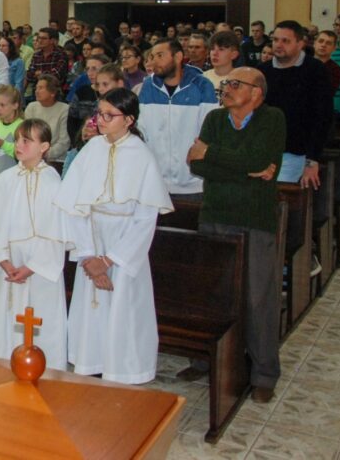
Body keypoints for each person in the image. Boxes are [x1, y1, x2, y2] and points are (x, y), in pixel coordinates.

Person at [54, 88, 173, 384]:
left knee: (124, 311)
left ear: (129, 119)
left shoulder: (142, 156)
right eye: (100, 114)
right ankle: (89, 364)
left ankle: (124, 370)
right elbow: (75, 207)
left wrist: (108, 260)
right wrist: (89, 257)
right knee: (90, 310)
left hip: (123, 249)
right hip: (91, 241)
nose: (101, 120)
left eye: (110, 115)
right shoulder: (92, 149)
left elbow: (146, 219)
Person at [182, 67, 286, 403]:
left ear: (256, 92)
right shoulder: (214, 119)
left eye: (234, 84)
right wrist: (249, 171)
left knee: (258, 298)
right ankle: (203, 358)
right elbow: (196, 166)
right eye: (225, 83)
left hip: (254, 219)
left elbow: (258, 158)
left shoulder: (272, 119)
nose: (225, 88)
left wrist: (211, 154)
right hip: (214, 214)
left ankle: (264, 373)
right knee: (211, 292)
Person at [0, 118, 68, 369]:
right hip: (8, 266)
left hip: (38, 271)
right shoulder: (5, 179)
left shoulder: (53, 181)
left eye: (27, 140)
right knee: (4, 323)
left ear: (44, 146)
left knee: (39, 323)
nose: (19, 145)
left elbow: (56, 233)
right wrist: (3, 261)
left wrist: (31, 267)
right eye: (17, 139)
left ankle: (42, 373)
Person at [137, 39, 218, 198]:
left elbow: (209, 133)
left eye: (160, 55)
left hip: (193, 183)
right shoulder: (147, 86)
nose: (154, 62)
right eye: (152, 57)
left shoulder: (202, 85)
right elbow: (141, 130)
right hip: (155, 183)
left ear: (178, 56)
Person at [259, 20, 333, 188]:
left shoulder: (316, 70)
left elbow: (323, 117)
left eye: (285, 41)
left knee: (281, 203)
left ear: (300, 44)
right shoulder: (263, 71)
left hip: (296, 153)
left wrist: (312, 160)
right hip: (263, 151)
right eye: (276, 40)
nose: (278, 45)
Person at [23, 75, 70, 162]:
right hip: (32, 157)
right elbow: (25, 135)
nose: (37, 91)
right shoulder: (31, 107)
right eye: (36, 88)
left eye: (41, 88)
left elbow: (64, 142)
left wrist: (43, 154)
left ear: (52, 93)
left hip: (56, 160)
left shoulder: (65, 109)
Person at [25, 28, 69, 94]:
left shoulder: (61, 54)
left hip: (54, 92)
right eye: (39, 38)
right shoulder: (36, 55)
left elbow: (56, 75)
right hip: (37, 91)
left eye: (44, 38)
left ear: (52, 40)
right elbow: (30, 75)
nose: (40, 41)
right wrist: (46, 73)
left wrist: (40, 73)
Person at [311, 30, 340, 94]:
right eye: (320, 41)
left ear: (334, 48)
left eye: (328, 43)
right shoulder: (300, 63)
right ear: (314, 43)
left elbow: (325, 93)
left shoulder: (336, 70)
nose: (323, 45)